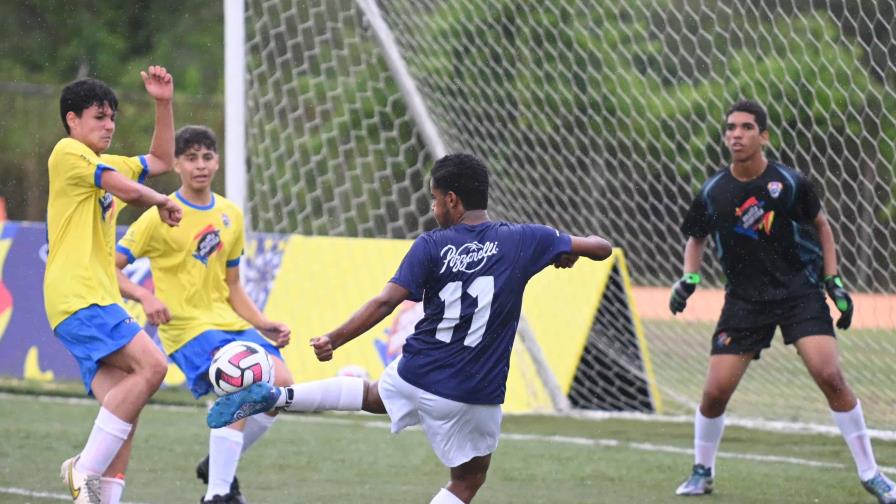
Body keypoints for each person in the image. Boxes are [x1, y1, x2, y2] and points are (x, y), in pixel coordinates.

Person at [205, 153, 613, 503]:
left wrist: (334, 337)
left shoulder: (431, 245)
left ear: (452, 200)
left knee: (374, 394)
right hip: (473, 392)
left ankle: (279, 396)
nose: (434, 209)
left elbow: (386, 302)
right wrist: (567, 252)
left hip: (418, 371)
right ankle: (278, 395)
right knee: (467, 480)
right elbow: (600, 247)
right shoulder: (527, 239)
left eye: (435, 200)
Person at [669, 99, 895, 503]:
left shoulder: (790, 183)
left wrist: (834, 281)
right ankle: (702, 471)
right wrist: (689, 277)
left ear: (764, 136)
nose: (736, 134)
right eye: (731, 128)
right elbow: (696, 236)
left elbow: (821, 227)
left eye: (746, 127)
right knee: (714, 394)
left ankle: (871, 473)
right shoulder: (713, 190)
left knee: (830, 376)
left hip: (799, 294)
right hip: (744, 301)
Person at [114, 125, 294, 504]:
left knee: (280, 388)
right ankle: (217, 495)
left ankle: (217, 465)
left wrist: (263, 324)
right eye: (191, 157)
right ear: (177, 163)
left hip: (228, 324)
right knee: (243, 386)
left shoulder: (230, 214)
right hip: (187, 329)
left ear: (217, 161)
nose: (200, 165)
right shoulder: (158, 215)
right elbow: (109, 268)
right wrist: (145, 299)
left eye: (207, 157)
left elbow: (233, 287)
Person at [47, 67, 183, 504]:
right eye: (98, 117)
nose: (108, 125)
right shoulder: (67, 152)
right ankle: (82, 470)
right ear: (72, 120)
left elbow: (161, 161)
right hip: (79, 295)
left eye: (112, 119)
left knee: (125, 403)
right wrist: (159, 200)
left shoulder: (107, 161)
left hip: (95, 297)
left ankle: (102, 498)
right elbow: (121, 187)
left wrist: (163, 103)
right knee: (154, 367)